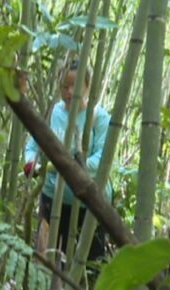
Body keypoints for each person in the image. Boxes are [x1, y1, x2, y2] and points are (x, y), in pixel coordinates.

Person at [23, 59, 113, 263]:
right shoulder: (53, 113)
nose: (69, 92)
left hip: (90, 204)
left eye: (75, 86)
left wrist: (65, 166)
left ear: (88, 87)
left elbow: (102, 161)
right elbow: (32, 147)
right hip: (52, 200)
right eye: (64, 86)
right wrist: (32, 163)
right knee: (48, 263)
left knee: (88, 266)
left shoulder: (99, 118)